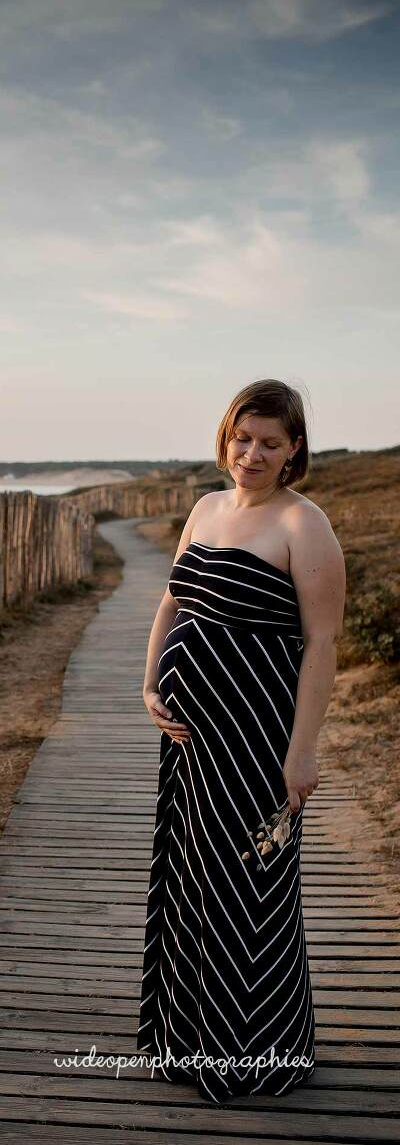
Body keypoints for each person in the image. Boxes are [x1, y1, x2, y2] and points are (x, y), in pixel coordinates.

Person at [137, 378, 345, 1103]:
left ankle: (255, 1051)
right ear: (227, 438)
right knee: (190, 878)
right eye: (242, 438)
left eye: (269, 443)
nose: (251, 454)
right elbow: (174, 600)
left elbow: (322, 645)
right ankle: (189, 1039)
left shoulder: (303, 524)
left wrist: (302, 752)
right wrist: (150, 683)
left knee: (251, 886)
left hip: (256, 741)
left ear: (294, 450)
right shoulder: (205, 508)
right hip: (189, 739)